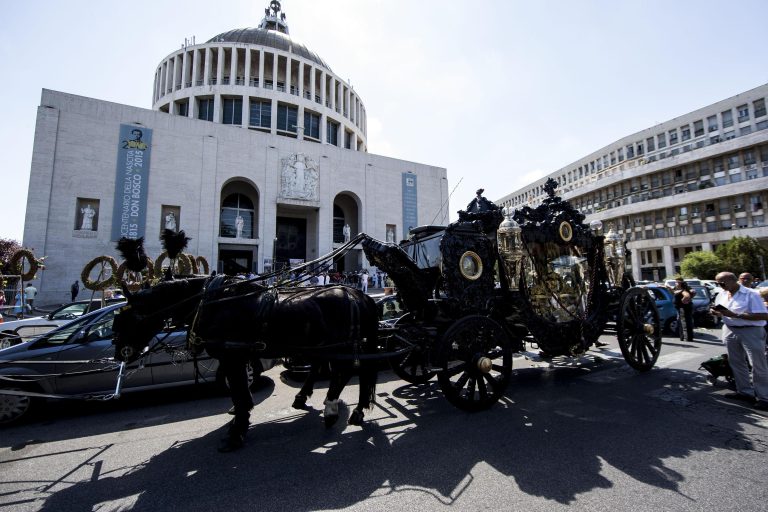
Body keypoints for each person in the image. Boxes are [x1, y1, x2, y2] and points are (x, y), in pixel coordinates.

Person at [710, 271, 768, 411]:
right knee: (736, 362)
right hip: (730, 329)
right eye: (718, 283)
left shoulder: (751, 294)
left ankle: (764, 397)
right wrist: (716, 312)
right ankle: (745, 392)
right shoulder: (722, 294)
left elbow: (763, 315)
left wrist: (736, 315)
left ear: (733, 280)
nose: (720, 285)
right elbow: (721, 310)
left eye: (722, 283)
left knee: (757, 364)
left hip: (750, 331)